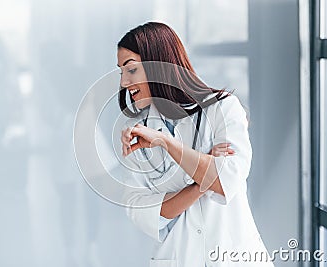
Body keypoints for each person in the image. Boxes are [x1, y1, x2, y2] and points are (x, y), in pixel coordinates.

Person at [117, 22, 274, 267]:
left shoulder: (223, 109)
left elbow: (225, 182)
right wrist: (202, 178)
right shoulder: (137, 136)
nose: (125, 82)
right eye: (121, 72)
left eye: (132, 70)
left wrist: (166, 143)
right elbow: (146, 211)